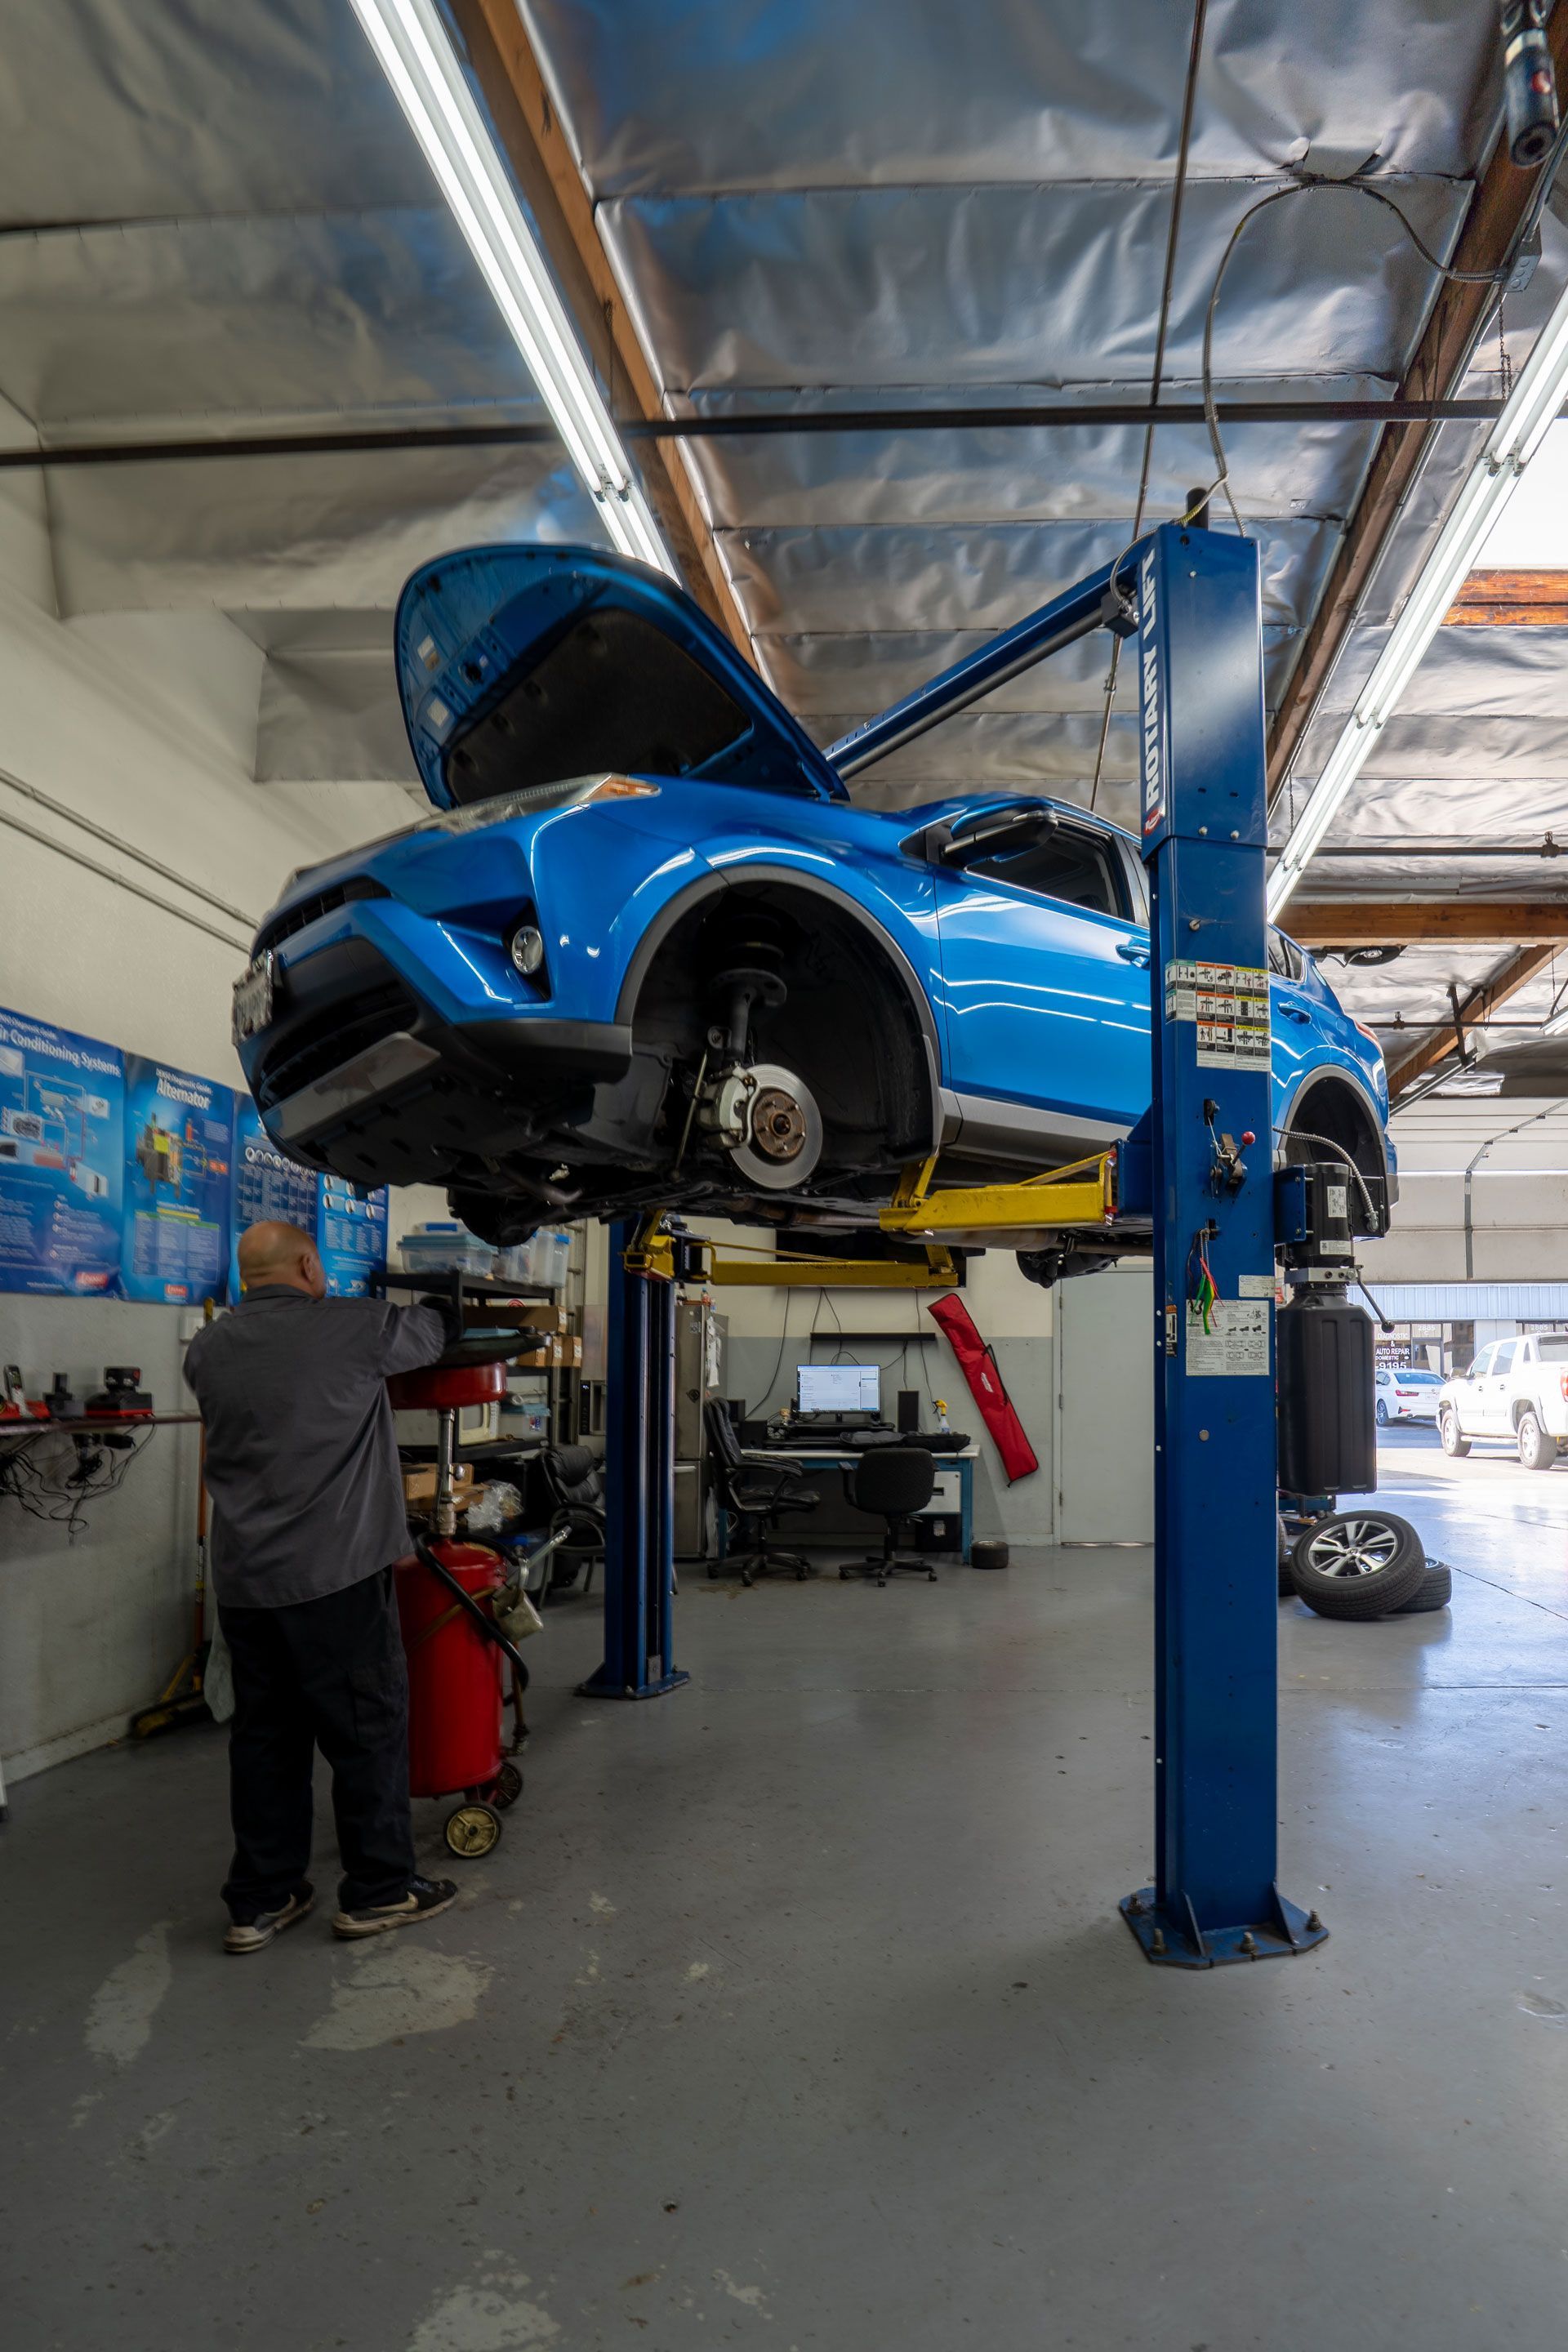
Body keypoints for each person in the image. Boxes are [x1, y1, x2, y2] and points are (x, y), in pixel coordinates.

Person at [185, 1218, 459, 1953]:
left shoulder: (207, 1348)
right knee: (367, 1734)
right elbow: (438, 1330)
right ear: (310, 1265)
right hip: (336, 1577)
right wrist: (440, 1297)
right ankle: (378, 1892)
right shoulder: (355, 1327)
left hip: (247, 1585)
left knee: (265, 1741)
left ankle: (261, 1899)